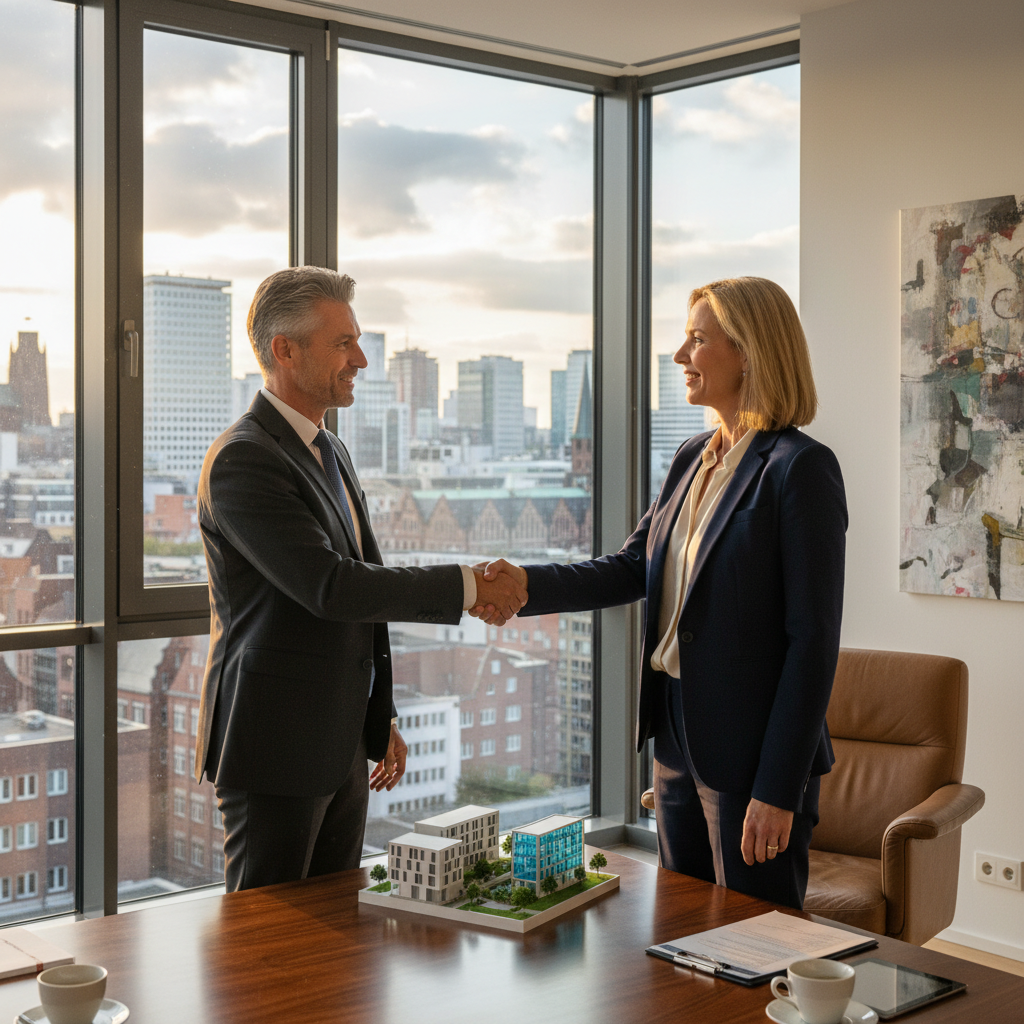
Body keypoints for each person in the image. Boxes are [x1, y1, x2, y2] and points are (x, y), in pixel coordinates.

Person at [474, 277, 846, 909]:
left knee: (755, 940)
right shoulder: (692, 456)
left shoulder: (799, 469)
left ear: (750, 352)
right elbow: (629, 567)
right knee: (678, 933)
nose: (679, 357)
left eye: (697, 340)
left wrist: (778, 788)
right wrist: (525, 586)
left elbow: (812, 642)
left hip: (753, 749)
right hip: (675, 733)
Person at [195, 266, 526, 892]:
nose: (362, 358)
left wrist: (379, 717)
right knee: (266, 949)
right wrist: (470, 585)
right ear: (284, 350)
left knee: (336, 937)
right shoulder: (244, 458)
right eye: (343, 342)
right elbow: (334, 587)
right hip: (276, 747)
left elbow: (362, 585)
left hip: (338, 740)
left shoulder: (330, 448)